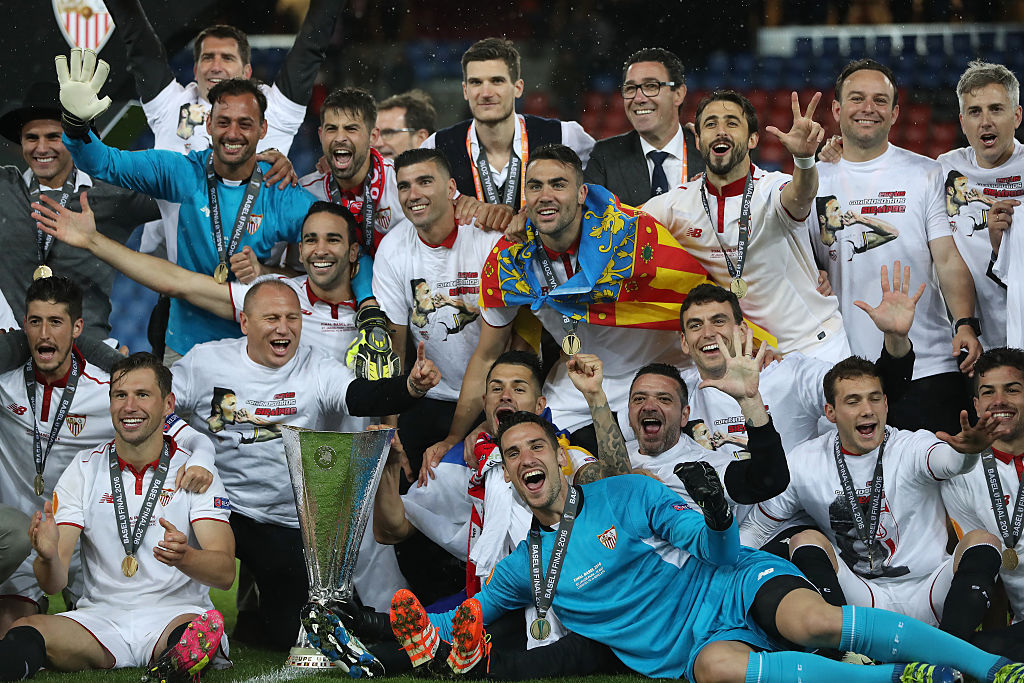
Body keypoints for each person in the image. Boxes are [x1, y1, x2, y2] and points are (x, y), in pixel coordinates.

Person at [353, 411, 1024, 683]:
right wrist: (397, 632)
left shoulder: (626, 494)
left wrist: (716, 513)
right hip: (682, 648)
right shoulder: (521, 567)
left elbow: (718, 551)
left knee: (814, 620)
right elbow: (462, 617)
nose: (525, 457)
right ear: (506, 473)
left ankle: (990, 669)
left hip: (727, 582)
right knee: (715, 670)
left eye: (535, 445)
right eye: (512, 453)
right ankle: (900, 680)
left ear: (557, 456)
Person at [170, 278, 440, 649]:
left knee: (290, 637)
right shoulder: (205, 361)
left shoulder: (316, 368)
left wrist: (410, 388)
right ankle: (167, 622)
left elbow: (361, 397)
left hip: (282, 519)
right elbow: (159, 401)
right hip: (214, 506)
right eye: (272, 318)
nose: (284, 328)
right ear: (245, 323)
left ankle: (261, 618)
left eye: (292, 317)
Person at [424, 143, 695, 471]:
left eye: (558, 184)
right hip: (579, 380)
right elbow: (487, 355)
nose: (545, 195)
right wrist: (458, 435)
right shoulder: (510, 262)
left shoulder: (632, 235)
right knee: (513, 454)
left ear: (582, 193)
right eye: (535, 186)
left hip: (665, 369)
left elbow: (696, 295)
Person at [57, 51, 317, 363]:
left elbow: (334, 263)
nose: (233, 133)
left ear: (263, 129)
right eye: (223, 122)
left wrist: (267, 273)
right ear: (208, 124)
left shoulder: (282, 194)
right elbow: (104, 162)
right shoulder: (180, 174)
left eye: (244, 124)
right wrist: (75, 126)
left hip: (256, 354)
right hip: (183, 350)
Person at [740, 356, 1011, 650]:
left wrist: (968, 454)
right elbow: (757, 527)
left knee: (982, 541)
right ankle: (840, 656)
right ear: (830, 412)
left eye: (874, 398)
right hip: (863, 597)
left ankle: (950, 654)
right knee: (805, 539)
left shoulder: (911, 446)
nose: (867, 410)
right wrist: (726, 570)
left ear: (886, 404)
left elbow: (948, 461)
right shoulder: (804, 462)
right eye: (853, 401)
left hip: (930, 589)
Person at [0, 352, 234, 681]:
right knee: (26, 630)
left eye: (142, 395)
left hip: (175, 615)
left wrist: (186, 557)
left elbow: (225, 573)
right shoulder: (83, 468)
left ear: (168, 405)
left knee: (192, 633)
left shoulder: (194, 472)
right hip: (101, 621)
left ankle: (181, 656)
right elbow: (54, 583)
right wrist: (48, 555)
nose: (129, 406)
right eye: (120, 395)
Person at [0, 277, 214, 635]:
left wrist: (202, 462)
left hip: (87, 544)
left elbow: (195, 439)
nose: (44, 334)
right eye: (35, 321)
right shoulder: (5, 384)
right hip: (24, 534)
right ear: (25, 326)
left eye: (56, 322)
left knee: (114, 626)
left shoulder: (110, 392)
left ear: (78, 328)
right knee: (11, 636)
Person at [809, 59, 980, 434]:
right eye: (856, 98)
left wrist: (965, 322)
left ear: (895, 112)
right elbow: (797, 261)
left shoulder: (926, 173)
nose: (868, 108)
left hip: (929, 364)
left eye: (879, 100)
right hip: (847, 372)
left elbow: (948, 259)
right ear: (837, 109)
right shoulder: (812, 182)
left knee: (944, 483)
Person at [103, 0, 342, 259]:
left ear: (247, 71)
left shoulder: (274, 109)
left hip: (254, 284)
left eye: (227, 58)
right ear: (195, 70)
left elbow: (311, 45)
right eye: (207, 57)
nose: (216, 66)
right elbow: (140, 45)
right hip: (179, 280)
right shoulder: (171, 107)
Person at [640, 89, 850, 361]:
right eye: (711, 124)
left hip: (815, 346)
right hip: (752, 359)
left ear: (752, 139)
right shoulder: (675, 205)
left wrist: (804, 160)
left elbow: (801, 195)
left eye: (732, 123)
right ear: (698, 140)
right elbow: (623, 230)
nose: (720, 131)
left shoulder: (772, 189)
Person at [32, 196, 362, 365]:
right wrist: (93, 241)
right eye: (311, 240)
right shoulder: (278, 294)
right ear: (299, 251)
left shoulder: (377, 305)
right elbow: (180, 282)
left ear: (353, 251)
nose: (321, 250)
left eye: (333, 240)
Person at [372, 148, 502, 473]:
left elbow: (492, 352)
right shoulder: (392, 248)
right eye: (404, 186)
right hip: (425, 397)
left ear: (450, 188)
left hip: (490, 397)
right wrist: (391, 433)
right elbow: (393, 350)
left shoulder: (488, 242)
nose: (413, 195)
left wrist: (457, 436)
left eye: (424, 182)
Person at [0, 81, 159, 339]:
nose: (41, 148)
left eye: (54, 136)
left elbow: (183, 195)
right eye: (32, 137)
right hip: (11, 362)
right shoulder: (4, 187)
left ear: (75, 141)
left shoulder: (111, 194)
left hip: (86, 361)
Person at [423, 38, 594, 218]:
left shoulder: (566, 136)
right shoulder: (436, 147)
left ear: (518, 88)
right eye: (476, 82)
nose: (486, 93)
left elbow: (598, 196)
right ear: (465, 91)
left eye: (497, 81)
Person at [938, 61, 1024, 350]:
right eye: (975, 112)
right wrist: (838, 155)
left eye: (996, 109)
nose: (985, 121)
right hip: (972, 342)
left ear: (1017, 116)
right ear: (963, 123)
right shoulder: (943, 170)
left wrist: (1002, 250)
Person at [943, 348, 1024, 650]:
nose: (1000, 401)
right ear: (977, 405)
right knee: (978, 648)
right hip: (1018, 629)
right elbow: (986, 568)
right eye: (988, 392)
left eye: (1012, 390)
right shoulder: (961, 473)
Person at [584, 47, 703, 206]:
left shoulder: (708, 153)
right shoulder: (605, 156)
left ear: (678, 94)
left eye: (651, 86)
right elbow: (593, 223)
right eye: (631, 88)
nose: (639, 98)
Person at [375, 90, 437, 160]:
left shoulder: (449, 169)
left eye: (388, 133)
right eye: (374, 134)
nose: (377, 143)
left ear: (420, 138)